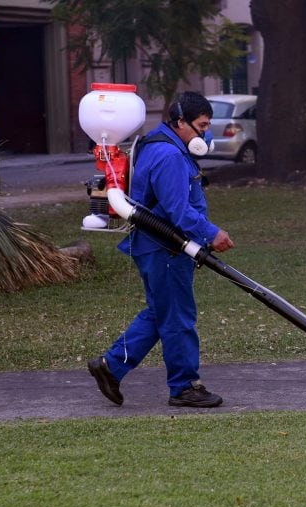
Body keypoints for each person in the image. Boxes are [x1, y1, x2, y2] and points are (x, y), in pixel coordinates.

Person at [88, 91, 234, 408]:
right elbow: (179, 212)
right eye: (202, 125)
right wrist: (213, 233)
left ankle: (110, 366)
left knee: (161, 313)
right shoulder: (169, 156)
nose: (205, 133)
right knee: (178, 316)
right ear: (180, 121)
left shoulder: (157, 143)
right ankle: (184, 387)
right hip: (167, 249)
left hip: (154, 247)